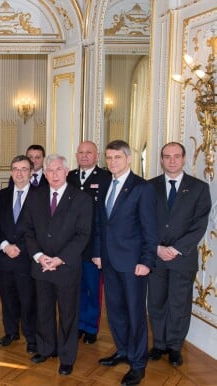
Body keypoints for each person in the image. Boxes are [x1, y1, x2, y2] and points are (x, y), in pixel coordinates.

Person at [93, 140, 157, 385]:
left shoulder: (142, 188)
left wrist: (146, 261)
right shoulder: (107, 183)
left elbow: (150, 230)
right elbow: (101, 223)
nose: (112, 162)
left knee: (135, 313)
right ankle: (123, 350)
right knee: (116, 311)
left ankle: (138, 364)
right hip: (108, 260)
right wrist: (98, 252)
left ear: (129, 159)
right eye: (109, 158)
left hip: (133, 264)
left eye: (117, 157)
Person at [23, 154, 92, 376]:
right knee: (43, 311)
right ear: (44, 174)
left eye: (58, 170)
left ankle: (66, 357)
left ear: (66, 172)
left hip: (66, 267)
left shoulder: (81, 198)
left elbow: (83, 235)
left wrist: (60, 259)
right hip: (41, 265)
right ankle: (46, 349)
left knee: (68, 314)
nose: (53, 174)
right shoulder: (35, 197)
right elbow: (29, 230)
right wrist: (39, 256)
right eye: (49, 171)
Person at [147, 142, 211, 367]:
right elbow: (143, 222)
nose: (171, 160)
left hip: (182, 259)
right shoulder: (149, 187)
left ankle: (174, 346)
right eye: (167, 156)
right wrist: (157, 247)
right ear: (161, 159)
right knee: (156, 302)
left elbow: (199, 225)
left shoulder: (199, 188)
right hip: (155, 256)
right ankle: (159, 344)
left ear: (184, 159)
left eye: (176, 156)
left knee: (179, 304)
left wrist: (174, 249)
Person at [66, 141, 111, 344]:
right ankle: (78, 325)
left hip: (93, 246)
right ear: (76, 155)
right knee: (75, 289)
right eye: (81, 152)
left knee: (93, 289)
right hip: (72, 246)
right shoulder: (70, 177)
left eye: (88, 152)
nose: (84, 156)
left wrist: (100, 250)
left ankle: (91, 327)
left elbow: (105, 216)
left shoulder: (106, 178)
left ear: (97, 154)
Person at [0, 155, 37, 354]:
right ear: (11, 172)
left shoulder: (41, 195)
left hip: (27, 259)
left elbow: (42, 229)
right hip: (4, 257)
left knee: (28, 299)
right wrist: (4, 245)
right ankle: (10, 332)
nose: (19, 173)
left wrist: (21, 247)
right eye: (16, 169)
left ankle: (31, 336)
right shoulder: (0, 196)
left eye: (24, 169)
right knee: (7, 297)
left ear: (31, 172)